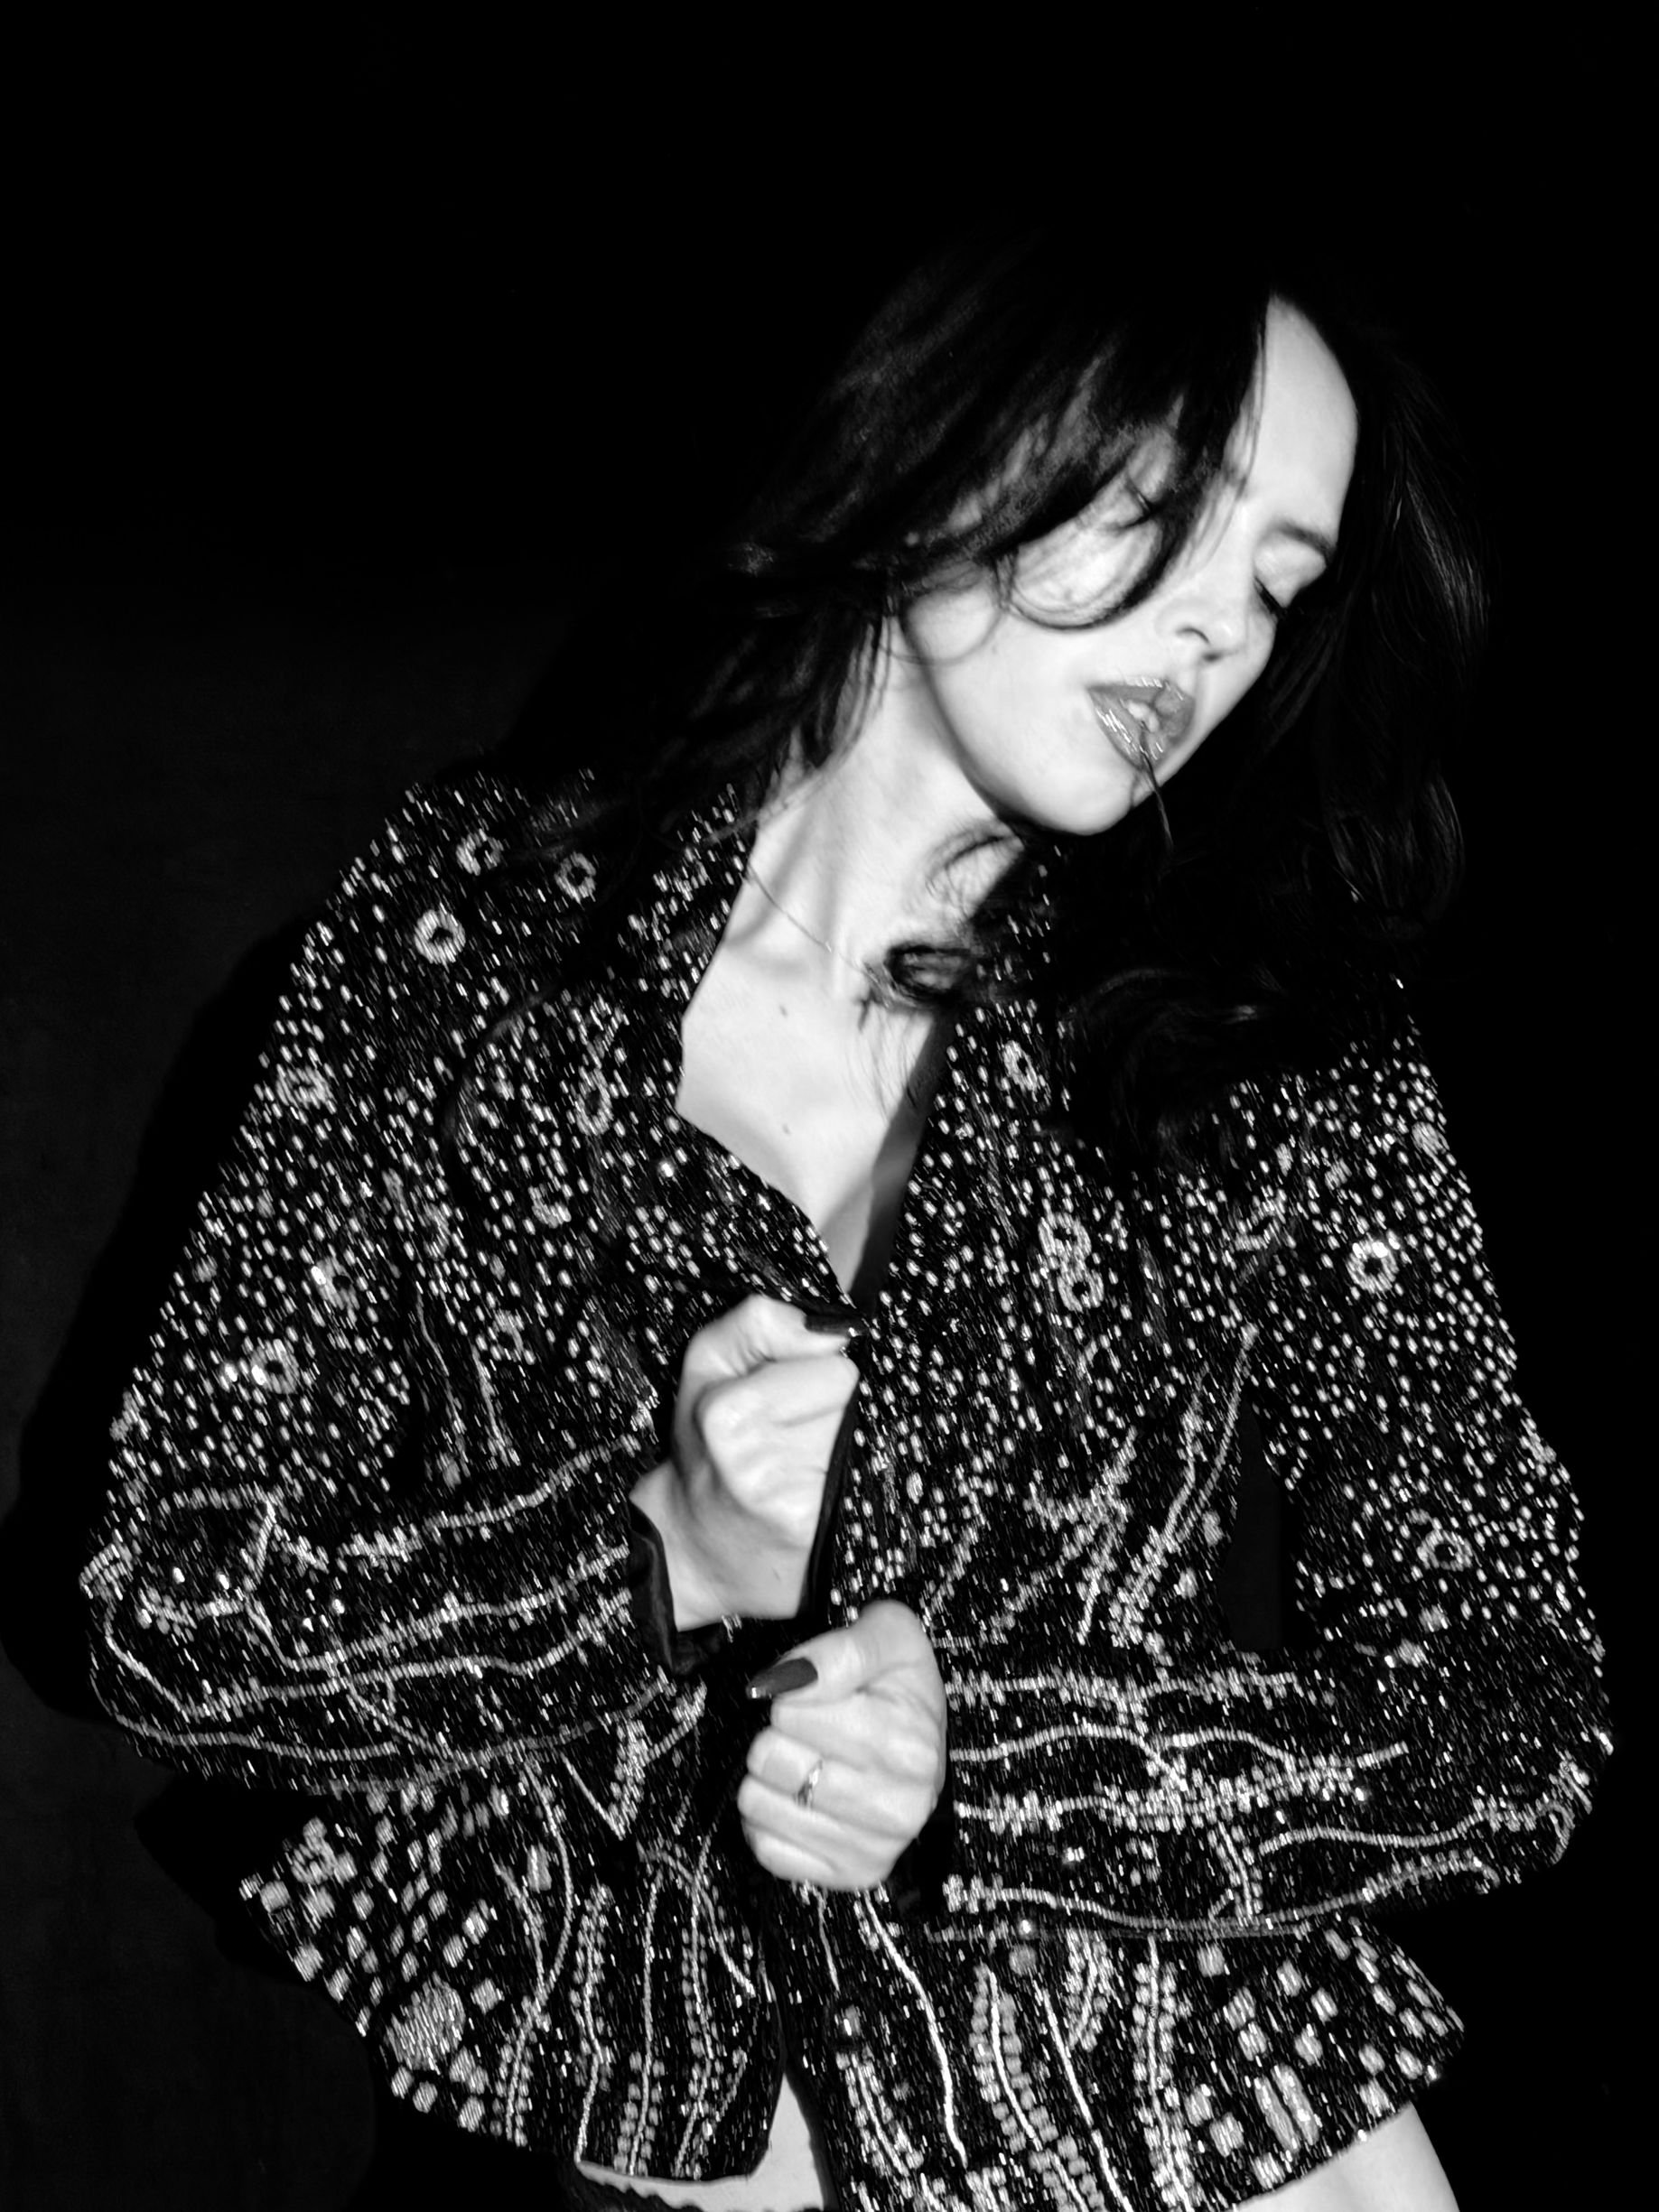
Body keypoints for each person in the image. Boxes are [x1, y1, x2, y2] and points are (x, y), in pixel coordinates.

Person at [80, 219, 1609, 2212]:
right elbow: (171, 1607)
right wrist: (647, 1557)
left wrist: (992, 1766)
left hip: (1205, 2137)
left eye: (1273, 583)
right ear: (950, 430)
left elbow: (1512, 1706)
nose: (1209, 638)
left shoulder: (1275, 1052)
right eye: (1168, 506)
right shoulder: (477, 945)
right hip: (665, 2134)